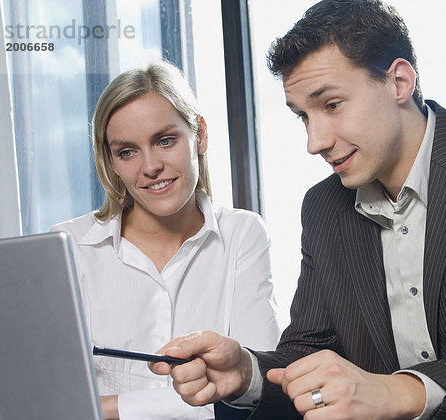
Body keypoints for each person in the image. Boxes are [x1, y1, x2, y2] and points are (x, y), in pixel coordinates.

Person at [150, 1, 446, 418]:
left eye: (331, 105)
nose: (315, 141)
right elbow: (307, 353)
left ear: (399, 82)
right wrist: (247, 373)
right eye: (302, 116)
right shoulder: (323, 207)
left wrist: (394, 392)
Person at [51, 61, 280, 420]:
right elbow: (51, 401)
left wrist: (107, 408)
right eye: (127, 152)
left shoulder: (242, 235)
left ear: (200, 135)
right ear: (111, 162)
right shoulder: (67, 248)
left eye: (165, 140)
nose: (150, 166)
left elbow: (256, 385)